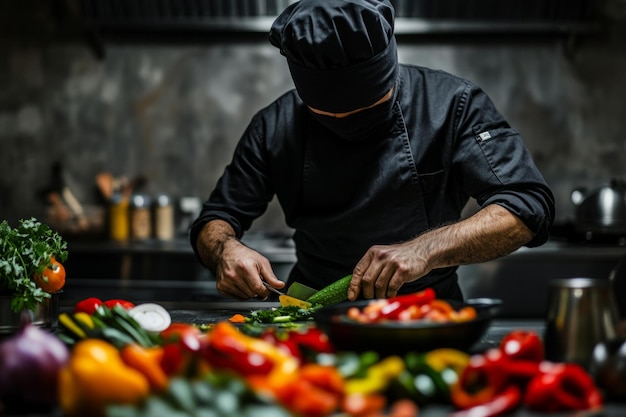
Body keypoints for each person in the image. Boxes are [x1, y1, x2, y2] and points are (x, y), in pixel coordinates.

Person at [190, 0, 555, 302]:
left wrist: (424, 249)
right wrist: (226, 250)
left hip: (425, 314)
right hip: (312, 315)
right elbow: (215, 221)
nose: (347, 123)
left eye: (366, 111)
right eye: (327, 115)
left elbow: (526, 207)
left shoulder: (453, 105)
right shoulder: (274, 125)